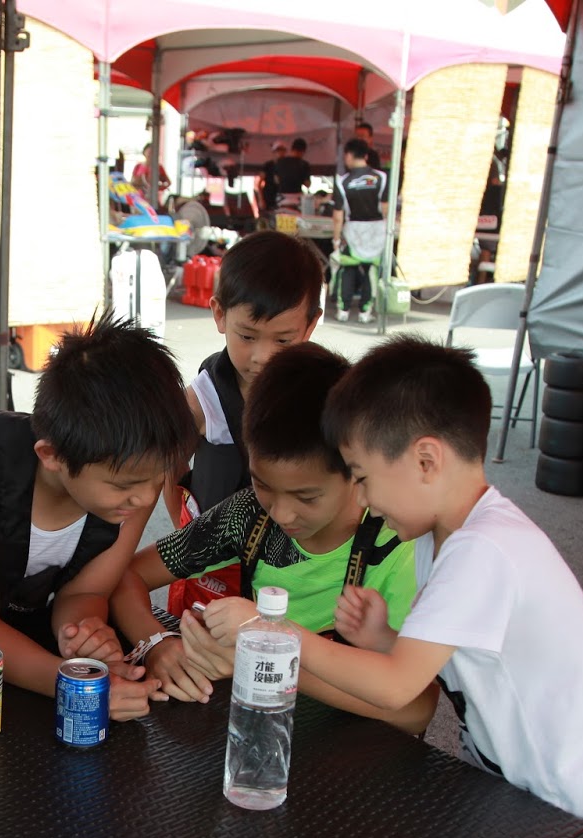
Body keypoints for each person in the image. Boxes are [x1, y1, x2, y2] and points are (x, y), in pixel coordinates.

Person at [206, 336, 583, 838]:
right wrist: (386, 639)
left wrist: (272, 631)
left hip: (577, 808)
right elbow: (458, 656)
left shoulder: (483, 550)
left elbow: (398, 687)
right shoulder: (436, 538)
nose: (363, 501)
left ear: (426, 461)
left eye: (362, 477)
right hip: (516, 793)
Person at [112, 344, 427, 724]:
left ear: (356, 473)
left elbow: (416, 710)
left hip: (357, 741)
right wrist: (156, 643)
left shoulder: (397, 547)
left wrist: (265, 659)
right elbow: (126, 576)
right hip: (257, 722)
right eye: (263, 484)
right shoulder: (248, 514)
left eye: (306, 497)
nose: (281, 513)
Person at [0, 312, 194, 720]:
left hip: (40, 646)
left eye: (156, 478)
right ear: (51, 455)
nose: (145, 498)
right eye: (124, 484)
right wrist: (74, 684)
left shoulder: (135, 479)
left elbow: (85, 594)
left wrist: (81, 637)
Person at [163, 229, 327, 525]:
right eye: (247, 336)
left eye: (283, 340)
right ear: (220, 314)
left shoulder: (326, 392)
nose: (263, 356)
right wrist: (186, 533)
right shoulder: (204, 399)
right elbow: (169, 465)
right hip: (215, 549)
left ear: (310, 325)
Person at [332, 137, 389, 324]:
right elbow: (386, 208)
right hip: (377, 231)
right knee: (371, 271)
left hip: (353, 230)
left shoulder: (342, 181)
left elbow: (338, 215)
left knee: (348, 268)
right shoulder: (382, 178)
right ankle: (365, 312)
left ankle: (343, 310)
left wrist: (336, 239)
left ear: (348, 155)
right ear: (366, 156)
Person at [273, 137, 313, 206]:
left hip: (281, 197)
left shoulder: (279, 162)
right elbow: (307, 184)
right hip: (297, 198)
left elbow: (276, 180)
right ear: (303, 151)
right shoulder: (304, 164)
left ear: (292, 149)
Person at [258, 141, 285, 213]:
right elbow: (259, 184)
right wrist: (261, 199)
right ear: (274, 152)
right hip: (268, 197)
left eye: (282, 150)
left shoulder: (286, 167)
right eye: (278, 150)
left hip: (281, 198)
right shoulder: (267, 165)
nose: (280, 153)